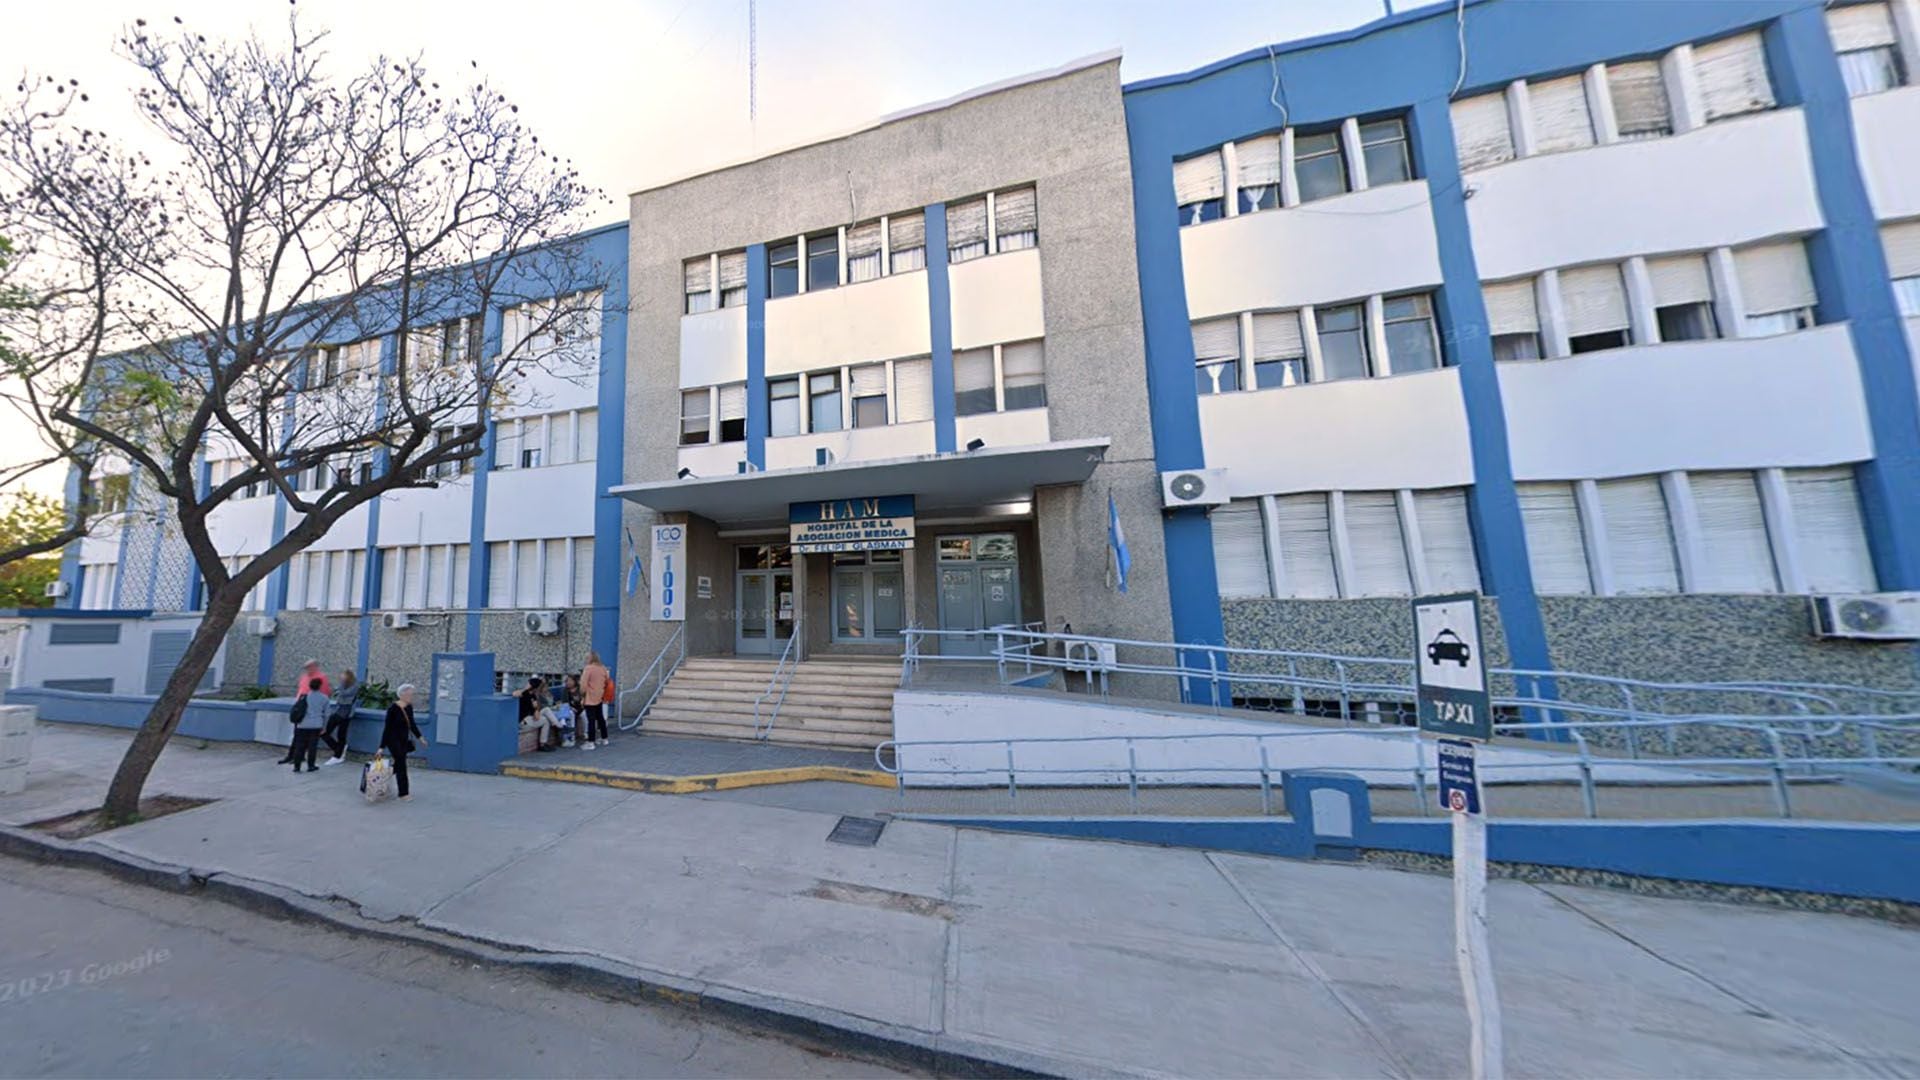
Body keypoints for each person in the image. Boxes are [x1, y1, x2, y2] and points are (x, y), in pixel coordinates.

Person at [276, 659, 335, 765]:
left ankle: (299, 757)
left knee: (306, 738)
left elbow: (325, 695)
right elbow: (300, 691)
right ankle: (293, 756)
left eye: (309, 667)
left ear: (315, 667)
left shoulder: (321, 678)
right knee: (297, 734)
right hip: (300, 709)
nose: (307, 669)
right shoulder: (304, 677)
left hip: (312, 711)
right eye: (306, 667)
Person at [381, 683, 427, 801]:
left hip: (403, 740)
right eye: (410, 694)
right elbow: (387, 728)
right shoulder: (393, 709)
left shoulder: (409, 707)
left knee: (398, 764)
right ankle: (403, 793)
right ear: (402, 694)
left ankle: (382, 778)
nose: (412, 696)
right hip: (393, 740)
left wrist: (420, 737)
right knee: (401, 764)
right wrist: (381, 747)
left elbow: (412, 724)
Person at [319, 669, 362, 766]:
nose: (341, 678)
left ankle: (338, 755)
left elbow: (344, 693)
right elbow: (338, 694)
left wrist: (339, 687)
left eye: (343, 676)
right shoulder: (343, 685)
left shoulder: (355, 685)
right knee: (324, 731)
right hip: (339, 710)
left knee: (341, 735)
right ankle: (339, 749)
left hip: (347, 713)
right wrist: (339, 688)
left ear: (348, 676)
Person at [289, 676, 329, 773]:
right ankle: (311, 766)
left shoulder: (303, 697)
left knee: (300, 746)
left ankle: (297, 766)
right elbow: (327, 714)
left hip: (302, 724)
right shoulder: (324, 698)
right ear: (319, 686)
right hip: (316, 725)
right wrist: (324, 727)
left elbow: (297, 709)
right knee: (312, 746)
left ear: (310, 686)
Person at [510, 676, 558, 752]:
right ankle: (542, 744)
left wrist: (536, 711)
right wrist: (526, 688)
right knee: (546, 721)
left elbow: (535, 708)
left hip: (531, 717)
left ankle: (558, 726)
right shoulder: (524, 693)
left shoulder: (533, 695)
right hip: (524, 719)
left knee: (546, 710)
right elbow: (514, 694)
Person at [580, 652, 612, 750]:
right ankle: (604, 738)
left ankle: (591, 742)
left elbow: (583, 684)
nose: (586, 659)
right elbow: (607, 681)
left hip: (589, 697)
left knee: (591, 720)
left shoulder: (588, 668)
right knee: (600, 718)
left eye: (587, 657)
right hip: (599, 696)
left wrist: (582, 695)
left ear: (591, 658)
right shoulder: (603, 668)